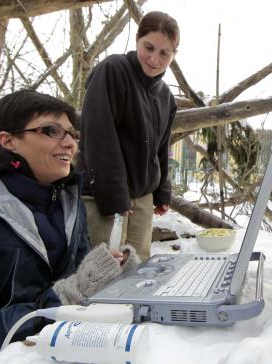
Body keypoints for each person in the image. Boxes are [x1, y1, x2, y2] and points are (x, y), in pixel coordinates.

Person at [0, 90, 139, 363]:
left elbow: (76, 278)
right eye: (51, 131)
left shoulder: (68, 198)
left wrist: (110, 272)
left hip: (62, 344)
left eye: (72, 134)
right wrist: (59, 302)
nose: (70, 143)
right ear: (8, 141)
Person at [77, 11, 180, 261]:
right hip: (103, 195)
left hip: (142, 198)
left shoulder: (165, 96)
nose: (154, 59)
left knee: (138, 267)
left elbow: (161, 148)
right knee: (100, 270)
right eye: (149, 47)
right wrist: (115, 196)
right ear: (138, 40)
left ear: (173, 55)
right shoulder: (113, 71)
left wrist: (162, 191)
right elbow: (98, 136)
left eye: (164, 53)